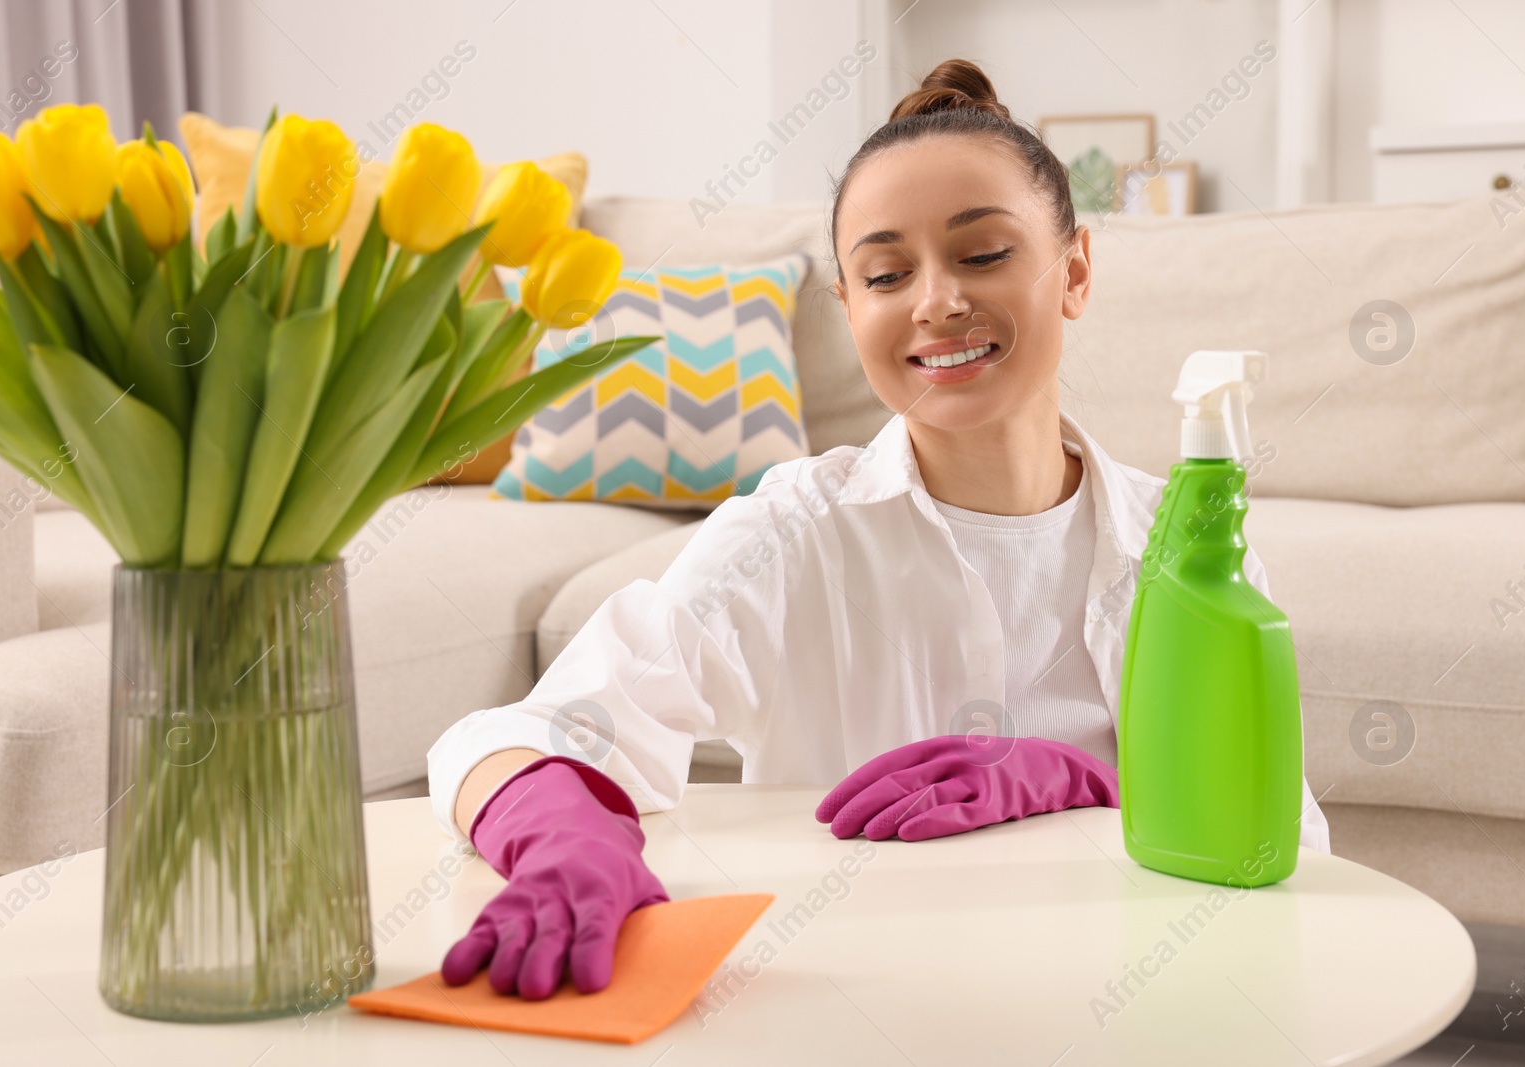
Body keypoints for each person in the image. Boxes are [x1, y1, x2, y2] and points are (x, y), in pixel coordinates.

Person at [428, 57, 1332, 1003]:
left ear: (1075, 272)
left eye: (982, 255)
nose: (936, 300)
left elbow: (1289, 842)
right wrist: (558, 832)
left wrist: (1093, 785)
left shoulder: (1180, 546)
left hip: (1128, 997)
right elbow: (523, 732)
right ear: (850, 308)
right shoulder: (792, 535)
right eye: (887, 272)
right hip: (850, 1003)